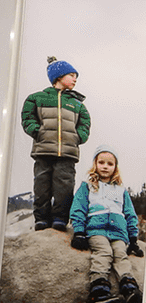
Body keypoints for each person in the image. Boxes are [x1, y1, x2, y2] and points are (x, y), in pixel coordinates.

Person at [20, 58, 89, 231]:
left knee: (64, 186)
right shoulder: (36, 98)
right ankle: (41, 218)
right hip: (43, 150)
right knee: (41, 185)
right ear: (58, 76)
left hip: (67, 153)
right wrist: (36, 131)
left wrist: (77, 137)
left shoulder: (77, 104)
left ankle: (60, 218)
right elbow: (27, 117)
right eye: (71, 75)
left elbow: (85, 124)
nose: (75, 79)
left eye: (76, 76)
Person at [68, 147, 142, 303]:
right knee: (104, 252)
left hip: (119, 233)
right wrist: (79, 232)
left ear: (115, 167)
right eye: (101, 162)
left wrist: (133, 238)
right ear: (95, 164)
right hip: (97, 230)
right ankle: (98, 290)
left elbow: (129, 213)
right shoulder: (87, 186)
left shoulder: (121, 190)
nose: (105, 166)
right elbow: (78, 208)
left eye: (110, 164)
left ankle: (129, 288)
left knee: (120, 254)